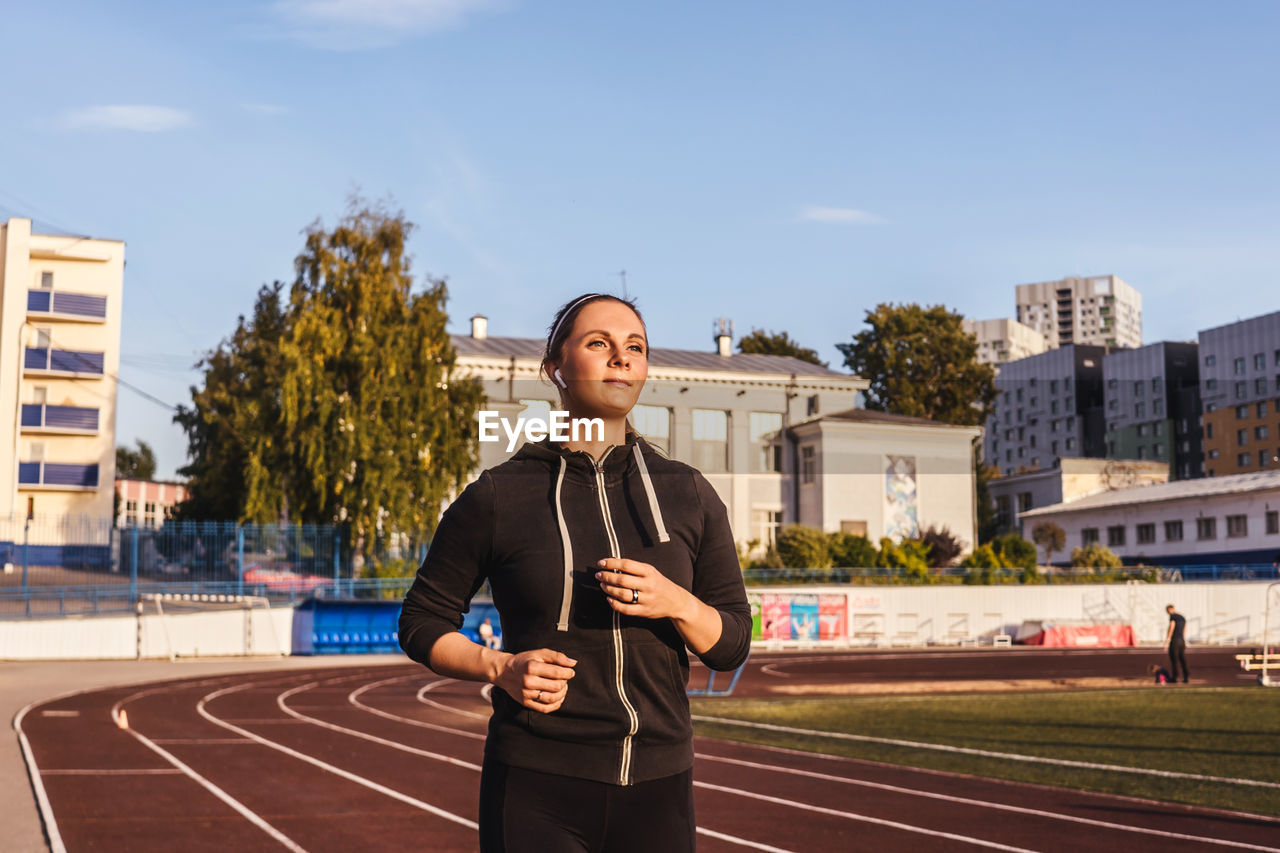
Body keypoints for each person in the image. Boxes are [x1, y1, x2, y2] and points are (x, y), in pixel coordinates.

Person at [399, 293, 752, 853]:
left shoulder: (688, 493)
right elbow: (421, 621)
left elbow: (731, 644)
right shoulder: (498, 495)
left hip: (660, 785)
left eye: (634, 347)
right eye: (599, 344)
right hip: (538, 784)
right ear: (554, 369)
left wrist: (677, 602)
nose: (621, 358)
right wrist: (500, 666)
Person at [1162, 604, 1189, 683]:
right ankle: (1186, 677)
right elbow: (1185, 629)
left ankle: (1175, 678)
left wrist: (1167, 640)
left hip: (1175, 641)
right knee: (1182, 659)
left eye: (1167, 611)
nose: (1168, 613)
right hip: (1181, 640)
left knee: (1174, 660)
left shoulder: (1173, 617)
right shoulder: (1182, 617)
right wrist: (1183, 639)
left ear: (1170, 609)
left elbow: (1172, 627)